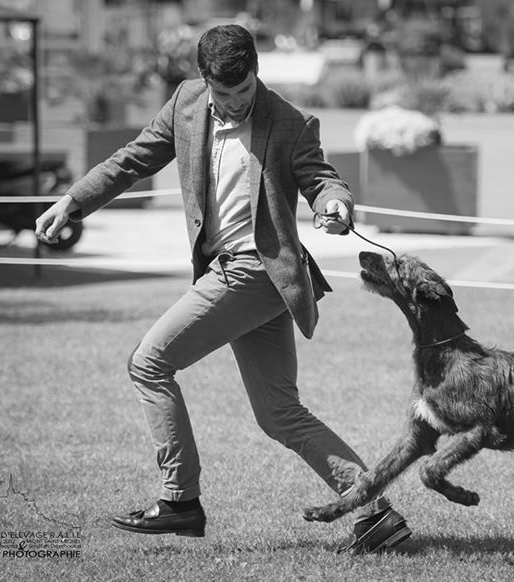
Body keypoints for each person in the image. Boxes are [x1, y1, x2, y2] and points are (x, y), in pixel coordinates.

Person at [34, 24, 410, 554]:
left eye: (245, 90)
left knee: (149, 363)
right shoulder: (186, 104)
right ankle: (376, 513)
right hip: (233, 273)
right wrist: (73, 201)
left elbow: (321, 177)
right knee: (279, 413)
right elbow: (132, 160)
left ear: (257, 72)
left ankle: (179, 500)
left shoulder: (289, 121)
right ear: (204, 79)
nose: (235, 102)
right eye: (224, 93)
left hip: (257, 271)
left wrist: (335, 205)